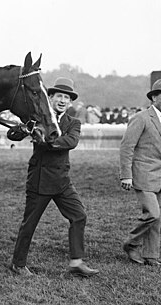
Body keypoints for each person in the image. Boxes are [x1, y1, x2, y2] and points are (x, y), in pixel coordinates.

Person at [7, 77, 100, 278]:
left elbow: (71, 141)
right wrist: (24, 129)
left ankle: (76, 262)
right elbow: (11, 135)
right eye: (59, 96)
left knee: (79, 216)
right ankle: (18, 264)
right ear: (50, 98)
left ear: (70, 102)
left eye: (67, 98)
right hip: (39, 181)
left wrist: (46, 140)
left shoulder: (73, 122)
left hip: (62, 181)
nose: (63, 100)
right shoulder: (37, 118)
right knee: (29, 224)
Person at [119, 78, 161, 267]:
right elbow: (127, 147)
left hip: (159, 179)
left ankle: (151, 257)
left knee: (156, 219)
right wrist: (126, 175)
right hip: (142, 175)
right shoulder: (141, 118)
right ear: (154, 98)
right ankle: (131, 243)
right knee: (153, 214)